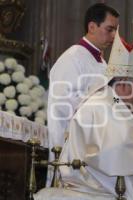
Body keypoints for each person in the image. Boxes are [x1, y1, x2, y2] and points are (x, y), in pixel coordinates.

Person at [35, 27, 133, 200]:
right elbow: (116, 150)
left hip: (100, 177)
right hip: (92, 183)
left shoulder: (112, 102)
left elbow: (126, 142)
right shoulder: (102, 105)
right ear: (124, 83)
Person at [47, 3, 119, 152]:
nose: (114, 36)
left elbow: (108, 97)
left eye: (115, 31)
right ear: (92, 27)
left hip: (96, 140)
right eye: (110, 30)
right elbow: (63, 103)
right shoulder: (73, 57)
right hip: (72, 143)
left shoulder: (102, 63)